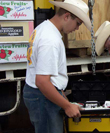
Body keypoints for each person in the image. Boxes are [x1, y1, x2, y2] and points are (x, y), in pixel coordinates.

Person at [23, 0, 91, 133]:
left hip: (40, 94)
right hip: (43, 97)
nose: (77, 28)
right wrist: (67, 106)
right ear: (66, 16)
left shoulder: (43, 28)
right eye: (77, 23)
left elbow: (48, 79)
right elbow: (42, 81)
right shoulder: (50, 40)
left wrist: (64, 99)